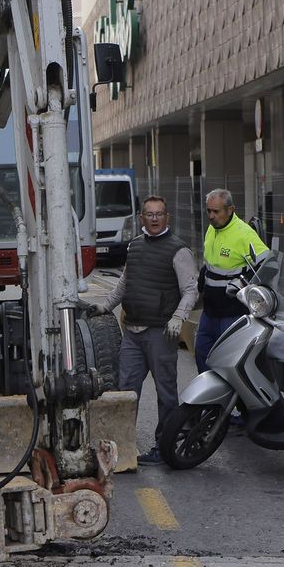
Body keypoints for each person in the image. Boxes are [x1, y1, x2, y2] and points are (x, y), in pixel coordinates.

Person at [84, 196, 197, 466]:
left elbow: (191, 290)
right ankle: (122, 444)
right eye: (149, 214)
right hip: (132, 333)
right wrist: (105, 306)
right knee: (125, 390)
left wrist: (178, 318)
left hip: (161, 332)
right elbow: (125, 282)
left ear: (167, 217)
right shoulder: (134, 245)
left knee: (166, 392)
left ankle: (164, 446)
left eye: (159, 214)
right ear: (141, 218)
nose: (155, 218)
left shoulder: (178, 250)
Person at [195, 188, 268, 374]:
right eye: (208, 210)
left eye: (216, 211)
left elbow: (268, 265)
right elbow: (211, 265)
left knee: (229, 366)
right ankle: (210, 401)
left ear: (230, 210)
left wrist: (242, 283)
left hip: (232, 314)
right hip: (209, 312)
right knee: (202, 355)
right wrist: (200, 282)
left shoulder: (244, 233)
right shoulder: (212, 229)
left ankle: (234, 402)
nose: (211, 216)